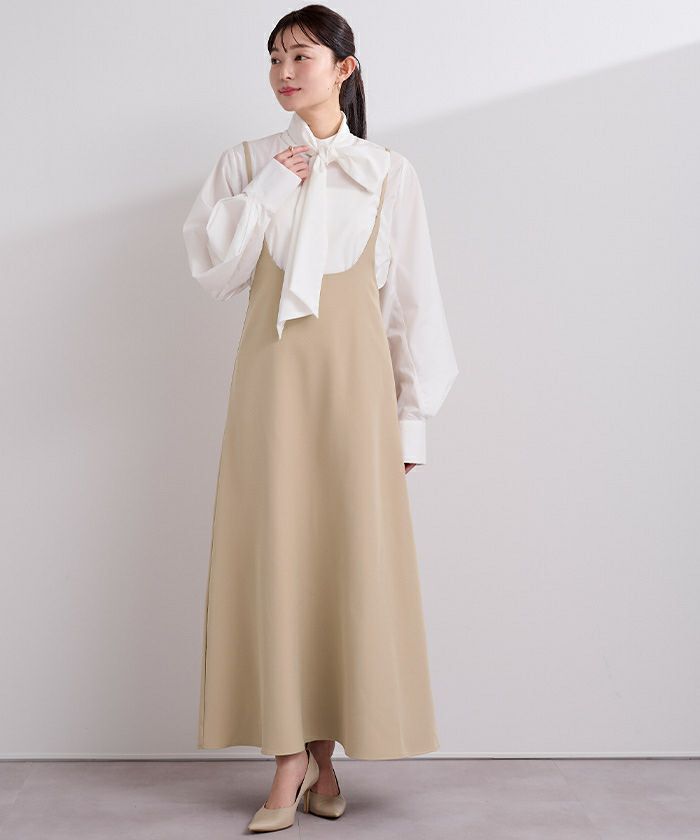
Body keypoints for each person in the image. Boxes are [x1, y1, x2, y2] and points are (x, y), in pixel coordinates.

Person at [182, 4, 459, 833]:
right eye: (274, 58)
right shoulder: (246, 162)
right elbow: (213, 266)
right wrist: (275, 183)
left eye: (300, 56)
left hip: (355, 396)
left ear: (344, 67)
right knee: (276, 558)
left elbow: (413, 304)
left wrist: (412, 421)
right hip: (271, 387)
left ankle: (324, 756)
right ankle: (286, 759)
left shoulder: (388, 173)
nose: (283, 72)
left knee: (344, 560)